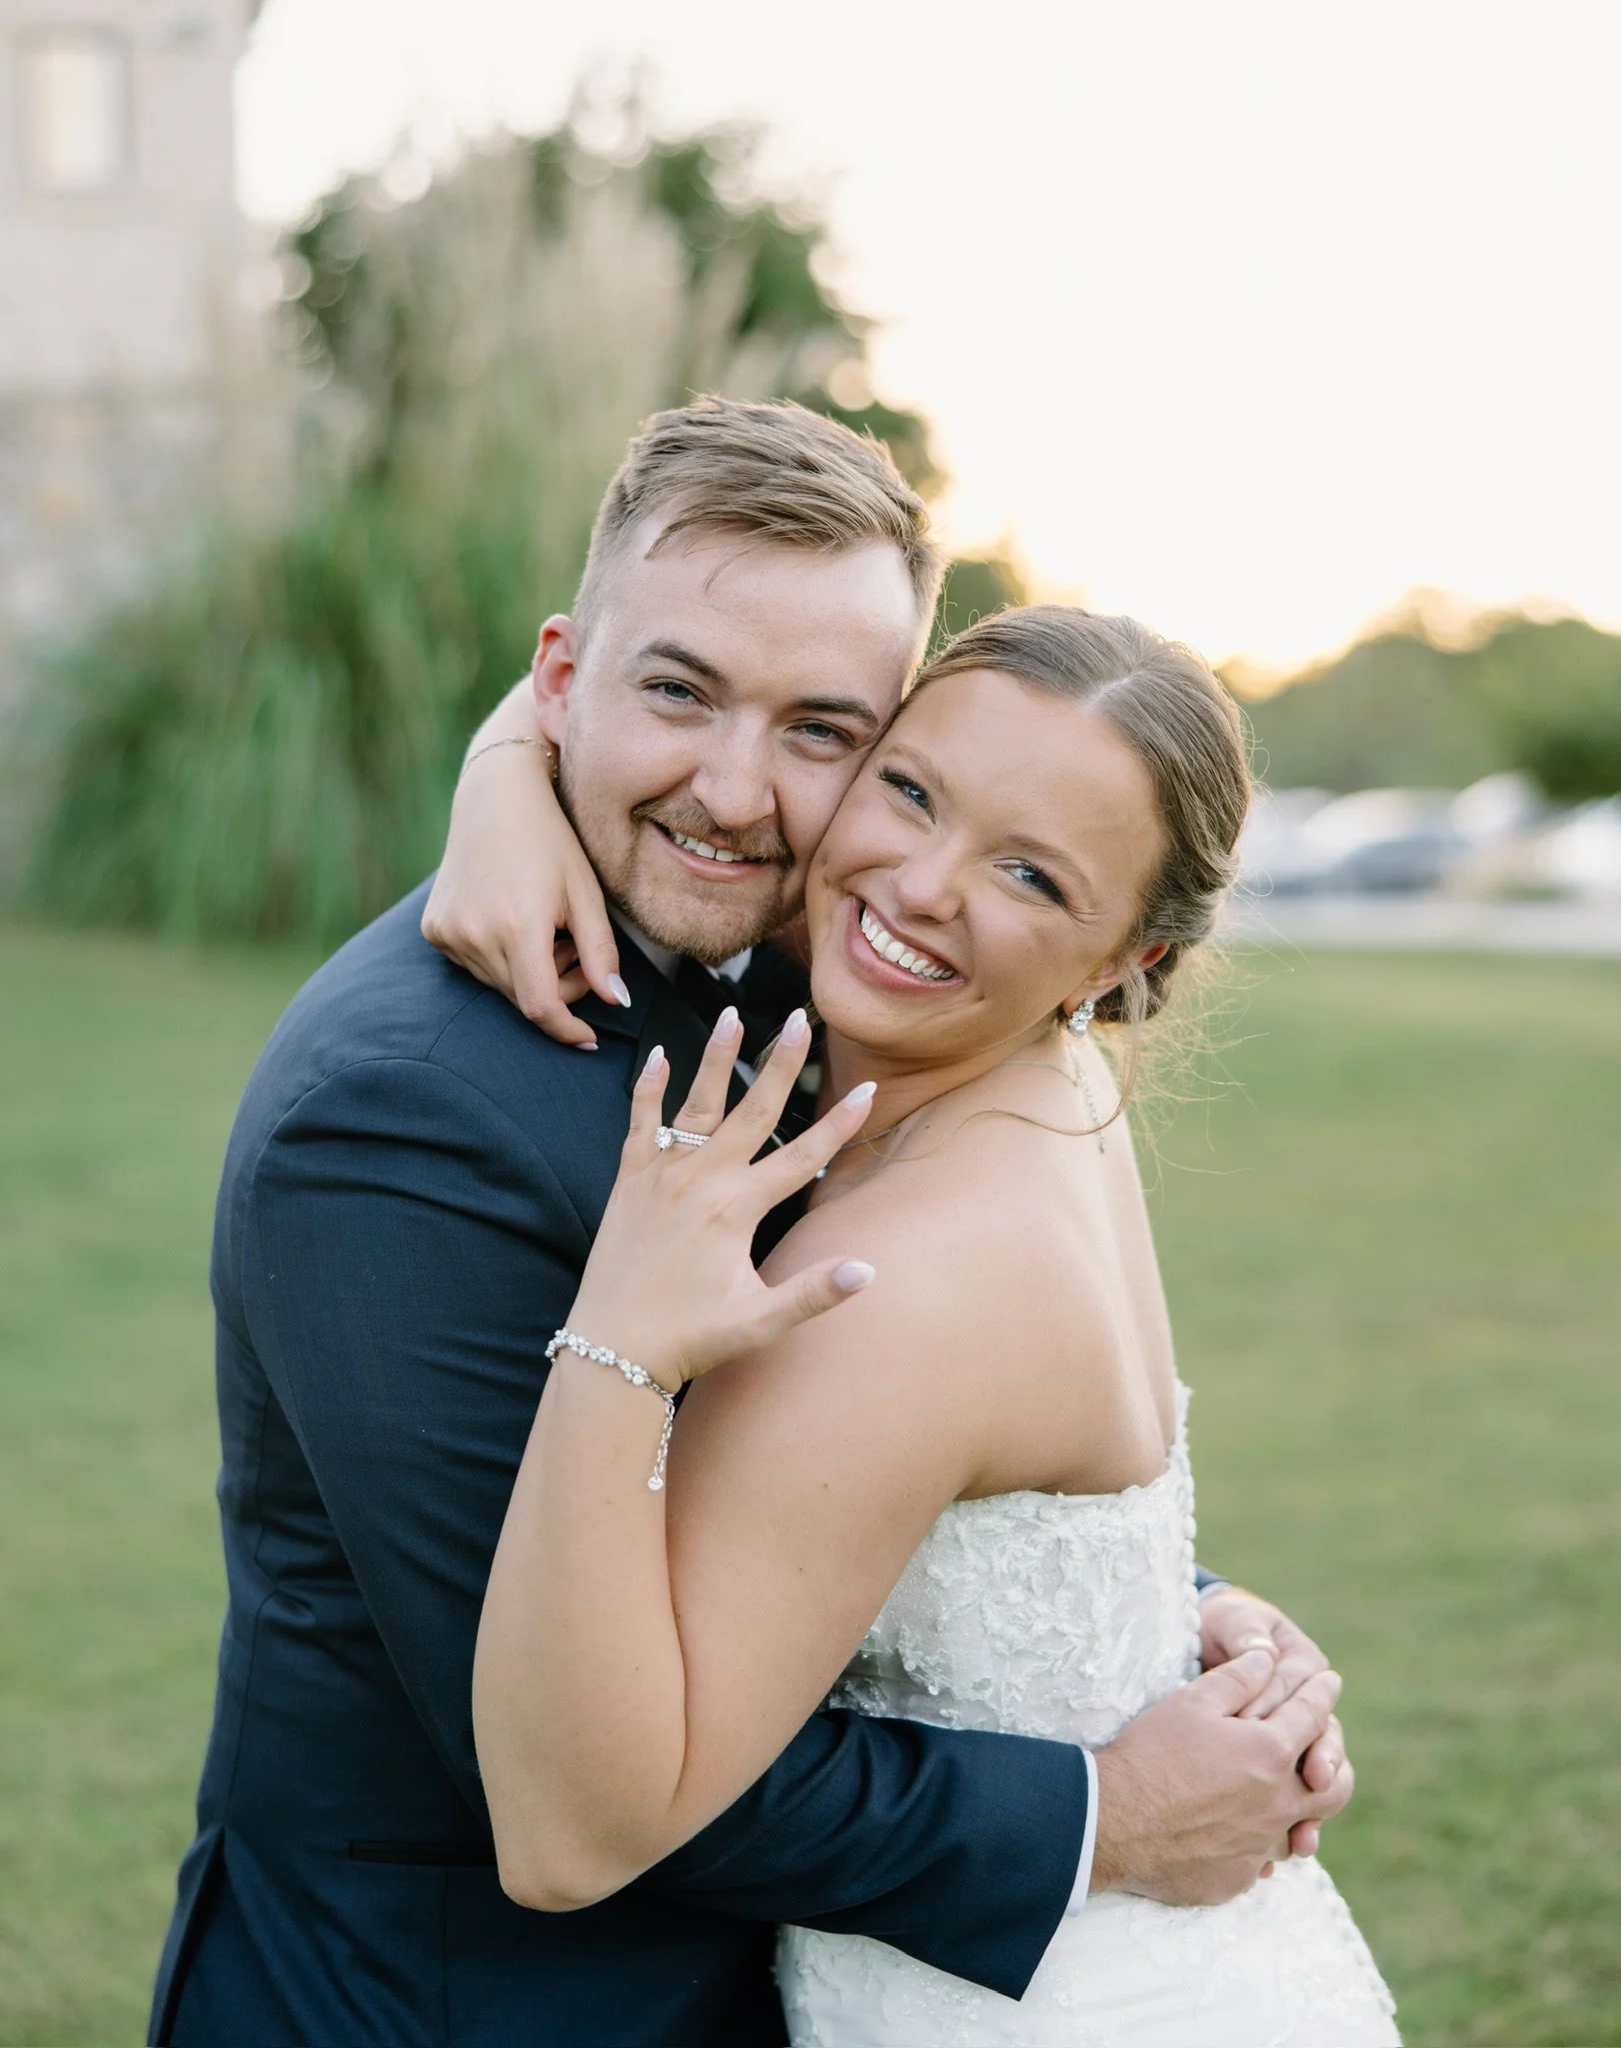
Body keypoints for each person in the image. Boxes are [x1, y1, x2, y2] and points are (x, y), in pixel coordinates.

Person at [152, 399, 1357, 2048]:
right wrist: (1107, 1804)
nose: (732, 792)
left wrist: (1161, 1612)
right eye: (676, 692)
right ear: (564, 673)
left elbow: (867, 1475)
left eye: (821, 730)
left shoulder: (844, 974)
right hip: (453, 2004)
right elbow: (578, 1780)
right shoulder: (405, 1121)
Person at [442, 598, 1399, 2043]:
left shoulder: (895, 1280)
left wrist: (622, 1342)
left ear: (1114, 962)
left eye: (1026, 872)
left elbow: (569, 1838)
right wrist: (507, 770)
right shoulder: (1055, 1090)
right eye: (907, 790)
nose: (919, 884)